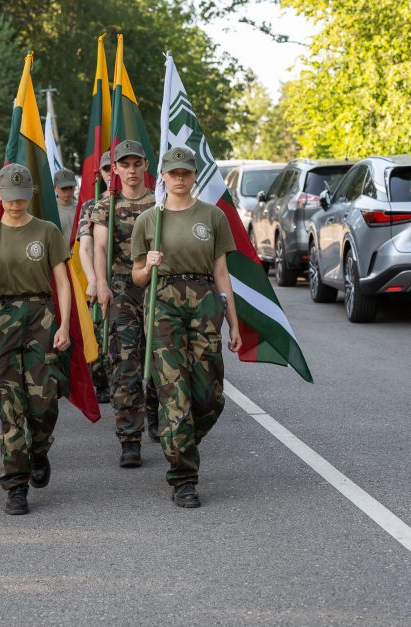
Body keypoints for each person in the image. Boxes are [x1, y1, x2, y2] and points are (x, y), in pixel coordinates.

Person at [130, 146, 241, 508]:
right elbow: (137, 278)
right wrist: (148, 265)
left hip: (204, 300)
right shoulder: (150, 219)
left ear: (194, 176)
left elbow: (222, 274)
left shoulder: (212, 217)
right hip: (163, 302)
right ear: (161, 176)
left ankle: (177, 437)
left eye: (185, 172)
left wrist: (233, 323)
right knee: (173, 393)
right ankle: (183, 478)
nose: (179, 178)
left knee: (209, 397)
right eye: (173, 172)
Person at [0, 163, 71, 516]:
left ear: (31, 196)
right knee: (10, 408)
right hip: (1, 321)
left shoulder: (47, 230)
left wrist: (65, 325)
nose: (15, 204)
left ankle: (39, 449)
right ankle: (15, 486)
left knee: (43, 405)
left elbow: (63, 282)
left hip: (41, 317)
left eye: (21, 197)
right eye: (9, 198)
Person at [91, 140, 160, 467]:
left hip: (157, 287)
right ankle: (130, 437)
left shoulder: (159, 205)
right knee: (125, 362)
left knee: (162, 357)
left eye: (137, 164)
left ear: (145, 166)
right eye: (124, 165)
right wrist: (101, 284)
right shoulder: (107, 206)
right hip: (121, 287)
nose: (131, 171)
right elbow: (100, 249)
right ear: (114, 169)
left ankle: (155, 405)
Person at [76, 152, 111, 403]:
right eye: (107, 170)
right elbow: (85, 248)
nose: (113, 174)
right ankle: (102, 382)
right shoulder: (92, 206)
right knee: (99, 335)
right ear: (101, 174)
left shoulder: (147, 203)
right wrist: (93, 279)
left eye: (115, 168)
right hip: (101, 282)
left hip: (134, 281)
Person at [53, 167, 79, 244]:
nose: (67, 192)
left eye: (70, 188)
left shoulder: (81, 208)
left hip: (78, 254)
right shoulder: (50, 209)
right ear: (55, 188)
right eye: (63, 188)